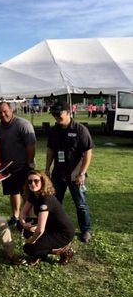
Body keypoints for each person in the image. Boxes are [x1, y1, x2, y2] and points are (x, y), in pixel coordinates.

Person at [45, 101, 94, 243]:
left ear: (68, 112)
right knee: (55, 202)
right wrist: (47, 169)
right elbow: (50, 151)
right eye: (53, 114)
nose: (56, 116)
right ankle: (55, 227)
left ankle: (86, 230)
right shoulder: (54, 131)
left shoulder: (80, 130)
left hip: (75, 175)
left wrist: (82, 173)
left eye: (58, 113)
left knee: (81, 204)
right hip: (58, 174)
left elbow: (88, 153)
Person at [19, 170, 75, 266]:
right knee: (21, 226)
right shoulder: (34, 194)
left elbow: (40, 230)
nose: (33, 184)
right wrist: (24, 224)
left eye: (36, 181)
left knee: (28, 248)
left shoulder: (46, 200)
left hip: (62, 233)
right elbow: (23, 214)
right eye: (30, 181)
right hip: (50, 226)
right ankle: (40, 252)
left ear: (42, 182)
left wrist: (31, 241)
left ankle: (64, 250)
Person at [0, 102, 36, 226]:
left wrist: (29, 163)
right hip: (7, 168)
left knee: (26, 194)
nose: (2, 114)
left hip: (23, 166)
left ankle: (29, 218)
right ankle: (16, 216)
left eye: (5, 111)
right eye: (0, 112)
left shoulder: (23, 124)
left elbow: (31, 146)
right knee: (13, 193)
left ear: (11, 110)